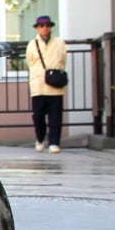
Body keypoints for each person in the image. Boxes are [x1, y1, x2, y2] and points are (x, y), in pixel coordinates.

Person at [26, 15, 67, 153]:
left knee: (55, 115)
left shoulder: (59, 43)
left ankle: (54, 142)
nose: (44, 28)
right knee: (38, 116)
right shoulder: (32, 44)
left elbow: (63, 60)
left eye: (47, 25)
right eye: (41, 26)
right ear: (37, 28)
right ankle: (40, 138)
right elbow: (30, 62)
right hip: (38, 85)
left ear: (50, 27)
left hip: (54, 84)